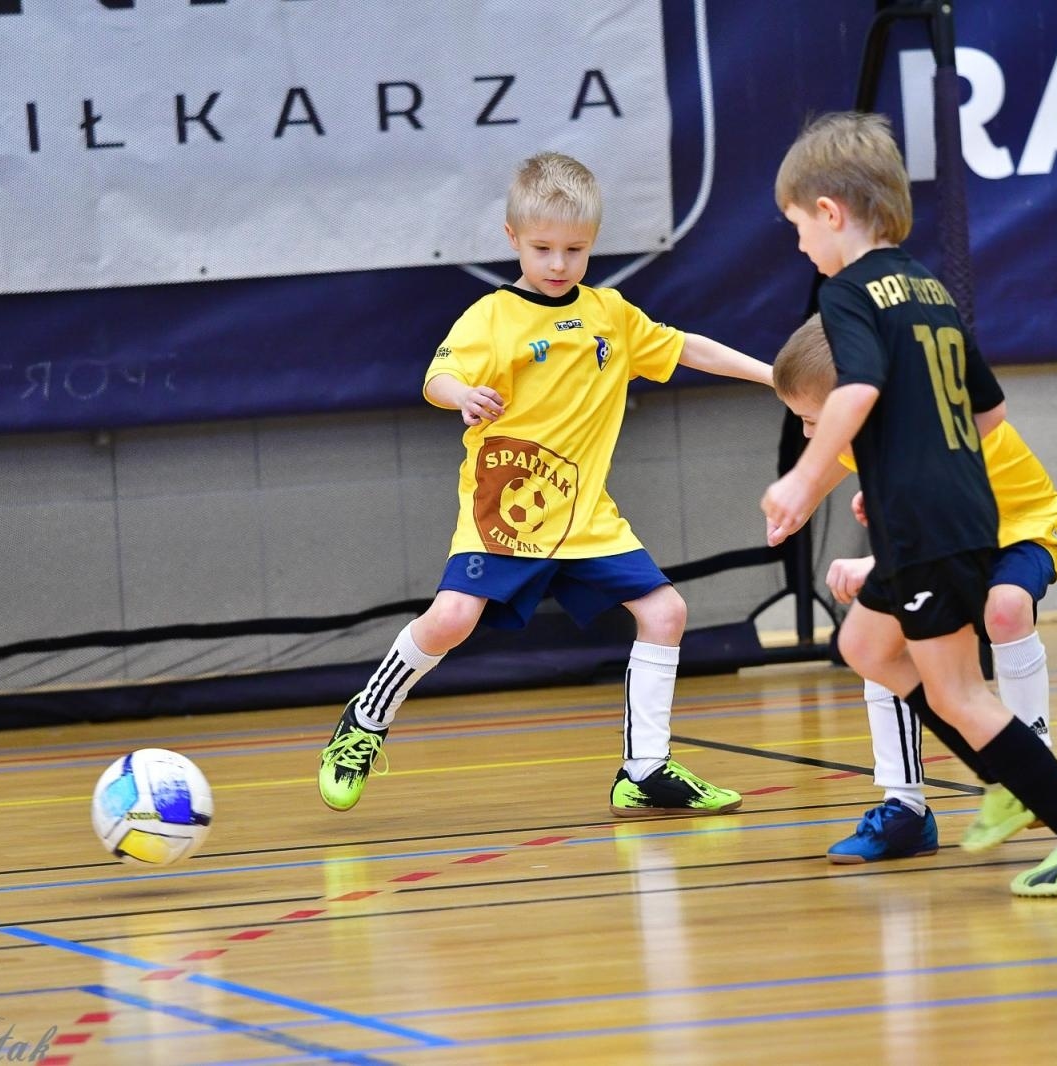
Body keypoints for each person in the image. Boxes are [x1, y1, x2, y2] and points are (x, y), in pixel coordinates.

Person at [318, 151, 775, 819]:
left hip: (584, 518)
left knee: (665, 612)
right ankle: (365, 720)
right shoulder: (491, 317)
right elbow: (436, 378)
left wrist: (774, 377)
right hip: (503, 513)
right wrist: (463, 396)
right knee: (451, 619)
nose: (558, 264)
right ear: (512, 239)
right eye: (542, 248)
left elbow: (686, 348)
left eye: (575, 249)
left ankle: (645, 769)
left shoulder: (611, 315)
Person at [760, 111, 1057, 896]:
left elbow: (859, 389)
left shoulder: (848, 294)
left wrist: (803, 477)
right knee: (866, 645)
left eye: (798, 226)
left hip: (932, 525)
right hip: (943, 514)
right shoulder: (929, 289)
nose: (800, 244)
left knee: (957, 692)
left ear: (830, 213)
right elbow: (989, 414)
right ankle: (1009, 780)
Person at [772, 314, 1057, 862]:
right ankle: (905, 807)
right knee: (881, 640)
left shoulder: (936, 434)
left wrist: (876, 564)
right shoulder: (868, 429)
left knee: (1005, 609)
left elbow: (947, 523)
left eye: (811, 419)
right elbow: (835, 465)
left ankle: (1035, 754)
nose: (808, 434)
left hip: (1018, 527)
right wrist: (802, 498)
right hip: (946, 543)